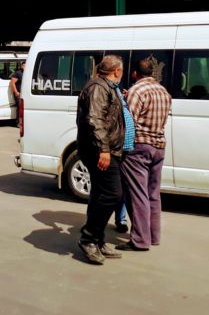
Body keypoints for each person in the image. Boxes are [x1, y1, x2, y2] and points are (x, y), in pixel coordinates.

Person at [75, 54, 126, 265]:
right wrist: (104, 150)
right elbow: (95, 120)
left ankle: (98, 239)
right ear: (116, 71)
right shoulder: (98, 87)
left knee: (99, 193)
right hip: (100, 150)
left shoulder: (107, 87)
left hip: (108, 148)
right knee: (113, 193)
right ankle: (88, 238)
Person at [118, 59, 173, 251]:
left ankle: (140, 240)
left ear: (135, 73)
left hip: (139, 147)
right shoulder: (163, 91)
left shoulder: (137, 90)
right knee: (153, 194)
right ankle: (153, 235)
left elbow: (128, 120)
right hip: (159, 145)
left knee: (137, 194)